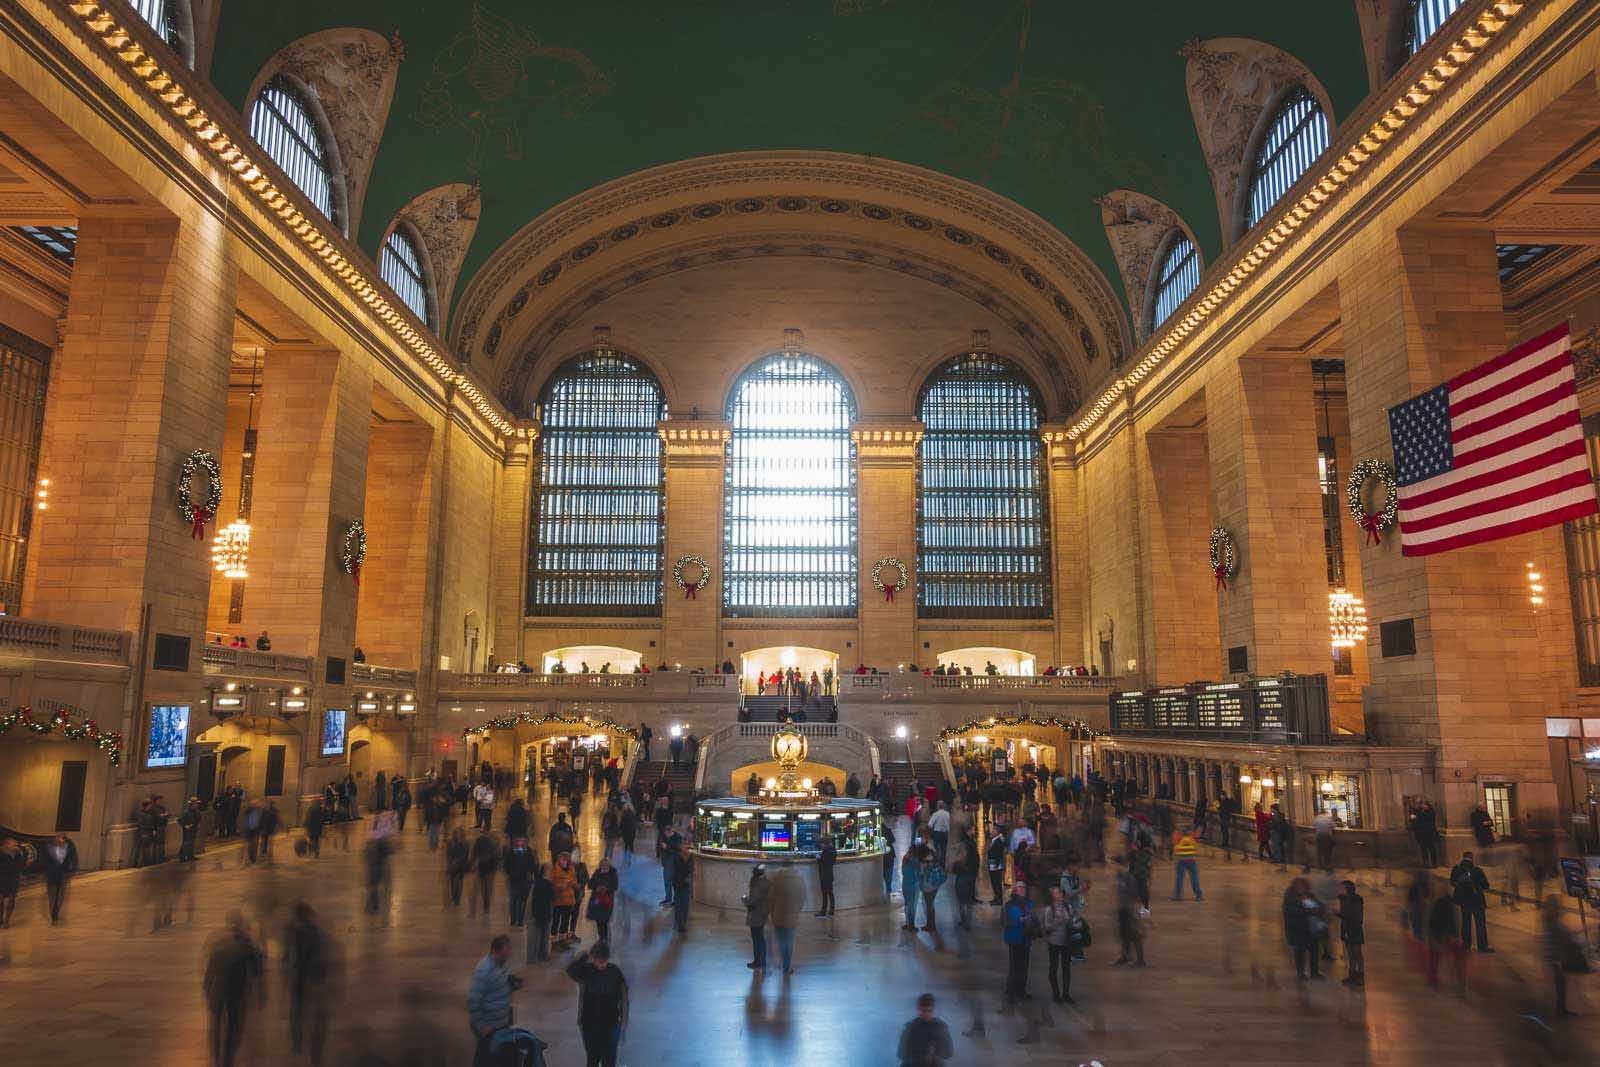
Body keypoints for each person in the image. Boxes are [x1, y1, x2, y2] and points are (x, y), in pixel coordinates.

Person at [205, 915, 265, 1067]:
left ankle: (217, 1056)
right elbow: (258, 972)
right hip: (236, 993)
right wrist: (260, 993)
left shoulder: (219, 943)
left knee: (217, 1025)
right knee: (233, 1026)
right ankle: (227, 1059)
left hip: (219, 990)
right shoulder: (248, 946)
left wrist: (207, 988)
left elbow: (210, 969)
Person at [565, 942, 629, 1067]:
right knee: (592, 1058)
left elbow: (624, 1000)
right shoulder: (586, 970)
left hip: (610, 1023)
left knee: (609, 1060)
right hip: (589, 1022)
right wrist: (585, 956)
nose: (601, 963)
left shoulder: (615, 972)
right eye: (598, 960)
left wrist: (623, 1024)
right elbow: (570, 971)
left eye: (603, 960)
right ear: (593, 958)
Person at [284, 902, 332, 1064]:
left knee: (297, 1011)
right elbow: (321, 957)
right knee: (309, 1012)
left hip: (300, 977)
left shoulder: (293, 931)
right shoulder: (316, 933)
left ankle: (297, 1044)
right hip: (312, 977)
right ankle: (308, 1047)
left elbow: (289, 955)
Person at [467, 935, 515, 1065]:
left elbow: (497, 987)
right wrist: (482, 1026)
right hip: (489, 1027)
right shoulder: (484, 970)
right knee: (485, 1059)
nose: (509, 954)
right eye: (506, 951)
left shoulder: (500, 964)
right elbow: (473, 1000)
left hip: (500, 1024)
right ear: (495, 951)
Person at [1283, 877, 1325, 980]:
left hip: (1310, 930)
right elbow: (1290, 911)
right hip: (1297, 930)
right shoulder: (1289, 898)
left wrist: (1317, 908)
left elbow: (1320, 906)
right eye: (1299, 886)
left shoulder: (1310, 896)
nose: (1301, 888)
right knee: (1300, 953)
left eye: (1303, 886)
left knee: (1314, 951)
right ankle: (1300, 973)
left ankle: (1314, 973)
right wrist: (1307, 909)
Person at [1449, 851, 1492, 952]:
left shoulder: (1456, 870)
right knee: (1480, 924)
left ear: (1463, 858)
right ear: (1472, 858)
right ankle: (1482, 947)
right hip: (1477, 901)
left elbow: (1452, 882)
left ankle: (1466, 945)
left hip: (1464, 901)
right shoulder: (1477, 870)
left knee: (1466, 923)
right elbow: (1486, 885)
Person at [1040, 885, 1076, 1004]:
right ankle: (1056, 994)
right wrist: (1057, 922)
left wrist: (1074, 923)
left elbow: (1071, 921)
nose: (1059, 895)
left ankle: (1066, 993)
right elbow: (1045, 926)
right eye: (1056, 893)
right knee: (1054, 967)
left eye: (1060, 892)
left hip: (1066, 941)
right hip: (1054, 942)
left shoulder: (1067, 906)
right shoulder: (1049, 909)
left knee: (1066, 968)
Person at [896, 992, 954, 1066]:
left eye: (929, 1011)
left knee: (939, 1062)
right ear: (918, 1010)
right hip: (914, 1063)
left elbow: (949, 1052)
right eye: (923, 1011)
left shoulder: (940, 1027)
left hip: (934, 1063)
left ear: (933, 1010)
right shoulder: (910, 1027)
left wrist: (934, 1055)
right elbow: (901, 1053)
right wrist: (919, 1057)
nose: (926, 1014)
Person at [1002, 881, 1033, 1003]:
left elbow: (1031, 918)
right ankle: (1011, 992)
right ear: (1015, 890)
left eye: (1023, 887)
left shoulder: (1029, 903)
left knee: (1024, 966)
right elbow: (1010, 920)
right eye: (1019, 887)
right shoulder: (1009, 905)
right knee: (1014, 967)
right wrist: (1023, 919)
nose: (1022, 889)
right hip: (1014, 938)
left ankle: (1021, 990)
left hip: (1026, 938)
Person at [41, 832, 76, 922]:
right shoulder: (48, 848)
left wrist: (72, 871)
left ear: (64, 839)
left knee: (60, 895)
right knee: (52, 896)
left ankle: (56, 911)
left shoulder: (69, 848)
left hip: (63, 875)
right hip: (51, 875)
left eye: (61, 838)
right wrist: (44, 873)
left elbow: (74, 859)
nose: (59, 839)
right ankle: (53, 913)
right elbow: (43, 861)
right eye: (57, 837)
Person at [743, 864, 772, 970]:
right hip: (763, 913)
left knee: (756, 939)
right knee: (761, 938)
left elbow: (752, 902)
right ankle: (762, 961)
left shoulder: (758, 885)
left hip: (756, 914)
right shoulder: (767, 882)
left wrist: (745, 899)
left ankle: (757, 962)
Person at [1336, 880, 1364, 987]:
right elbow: (1345, 914)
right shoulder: (1342, 899)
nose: (1339, 889)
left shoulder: (1357, 900)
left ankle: (1360, 977)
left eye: (1342, 888)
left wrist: (1340, 914)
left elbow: (1356, 916)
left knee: (1357, 954)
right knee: (1350, 954)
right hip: (1346, 929)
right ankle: (1352, 976)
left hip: (1355, 929)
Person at [550, 851, 580, 948]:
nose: (564, 862)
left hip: (569, 900)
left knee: (565, 921)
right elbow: (551, 884)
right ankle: (554, 941)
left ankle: (563, 940)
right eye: (562, 860)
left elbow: (575, 882)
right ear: (559, 860)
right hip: (558, 900)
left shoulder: (572, 869)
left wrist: (573, 884)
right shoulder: (554, 870)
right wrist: (560, 886)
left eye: (566, 860)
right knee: (556, 921)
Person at [587, 856, 619, 944]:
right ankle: (601, 937)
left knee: (604, 920)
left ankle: (604, 938)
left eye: (606, 865)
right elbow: (590, 884)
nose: (604, 866)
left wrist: (606, 889)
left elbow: (615, 886)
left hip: (607, 901)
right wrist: (596, 888)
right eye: (602, 865)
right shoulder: (597, 873)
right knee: (598, 920)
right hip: (597, 900)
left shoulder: (613, 874)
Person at [505, 837, 536, 927]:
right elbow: (532, 865)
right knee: (520, 900)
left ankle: (514, 920)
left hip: (516, 879)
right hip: (522, 879)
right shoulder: (528, 852)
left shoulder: (512, 851)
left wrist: (510, 873)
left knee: (514, 900)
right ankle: (519, 920)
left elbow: (506, 865)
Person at [527, 863, 555, 962]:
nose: (552, 872)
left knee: (540, 936)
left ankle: (539, 955)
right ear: (546, 871)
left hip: (540, 912)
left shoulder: (538, 883)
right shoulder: (545, 883)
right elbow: (551, 897)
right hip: (541, 912)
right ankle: (537, 956)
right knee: (539, 936)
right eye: (550, 870)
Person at [471, 830, 500, 917]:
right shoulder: (494, 843)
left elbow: (474, 853)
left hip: (482, 866)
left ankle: (485, 904)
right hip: (490, 867)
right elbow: (497, 856)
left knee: (483, 886)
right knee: (488, 886)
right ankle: (487, 905)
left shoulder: (479, 841)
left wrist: (473, 863)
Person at [1171, 827, 1202, 901]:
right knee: (1194, 878)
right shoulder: (1192, 838)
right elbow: (1198, 833)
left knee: (1179, 878)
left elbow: (1174, 836)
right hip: (1191, 860)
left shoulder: (1179, 839)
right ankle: (1198, 895)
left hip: (1181, 861)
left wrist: (1177, 831)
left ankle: (1178, 895)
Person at [670, 840, 694, 933]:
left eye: (688, 847)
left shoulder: (691, 857)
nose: (687, 849)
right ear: (681, 847)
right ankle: (679, 922)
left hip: (686, 884)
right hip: (677, 883)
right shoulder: (676, 857)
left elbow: (691, 869)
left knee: (685, 904)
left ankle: (682, 922)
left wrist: (689, 878)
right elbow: (673, 870)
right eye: (685, 846)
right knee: (678, 904)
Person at [900, 845, 923, 931]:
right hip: (913, 886)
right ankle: (911, 926)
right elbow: (918, 874)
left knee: (906, 905)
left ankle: (907, 923)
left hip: (905, 884)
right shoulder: (916, 861)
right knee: (912, 906)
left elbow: (902, 872)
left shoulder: (905, 858)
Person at [445, 827, 471, 906]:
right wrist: (449, 864)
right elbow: (448, 855)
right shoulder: (451, 842)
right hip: (454, 865)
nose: (457, 835)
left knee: (459, 881)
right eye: (456, 833)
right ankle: (455, 897)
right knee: (454, 882)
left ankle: (457, 898)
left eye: (458, 833)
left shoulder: (465, 843)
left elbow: (466, 855)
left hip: (460, 865)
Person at [1410, 799, 1440, 867]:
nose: (1423, 806)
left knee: (1431, 848)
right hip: (1421, 833)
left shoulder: (1431, 811)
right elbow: (1414, 820)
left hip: (1429, 832)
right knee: (1423, 848)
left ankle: (1434, 863)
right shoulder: (1418, 811)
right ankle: (1425, 863)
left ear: (1427, 805)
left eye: (1424, 804)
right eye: (1422, 804)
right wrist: (1412, 818)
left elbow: (1429, 819)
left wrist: (1417, 817)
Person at [0, 835, 22, 928]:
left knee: (11, 899)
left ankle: (7, 921)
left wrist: (20, 853)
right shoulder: (1, 852)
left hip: (14, 879)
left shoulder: (18, 854)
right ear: (6, 844)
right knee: (0, 900)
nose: (15, 845)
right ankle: (0, 919)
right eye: (13, 844)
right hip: (1, 878)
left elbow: (22, 865)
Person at [813, 836, 837, 917]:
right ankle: (831, 911)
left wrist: (818, 858)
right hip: (829, 875)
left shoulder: (826, 851)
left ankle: (823, 911)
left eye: (822, 844)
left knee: (825, 893)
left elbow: (823, 862)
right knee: (830, 893)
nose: (821, 846)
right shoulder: (833, 850)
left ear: (825, 844)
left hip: (824, 875)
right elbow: (832, 862)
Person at [985, 829, 1007, 905]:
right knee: (994, 882)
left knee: (996, 882)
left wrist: (998, 864)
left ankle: (998, 900)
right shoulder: (995, 840)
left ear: (997, 833)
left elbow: (999, 853)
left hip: (996, 866)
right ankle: (996, 898)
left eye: (993, 832)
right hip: (993, 865)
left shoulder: (998, 841)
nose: (990, 833)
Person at [178, 796, 202, 862]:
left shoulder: (197, 812)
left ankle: (190, 855)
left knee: (192, 843)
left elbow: (199, 819)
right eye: (195, 804)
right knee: (186, 843)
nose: (196, 805)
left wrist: (198, 824)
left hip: (194, 829)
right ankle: (182, 857)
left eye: (197, 804)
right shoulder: (186, 812)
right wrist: (185, 826)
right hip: (187, 830)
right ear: (191, 804)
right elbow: (180, 820)